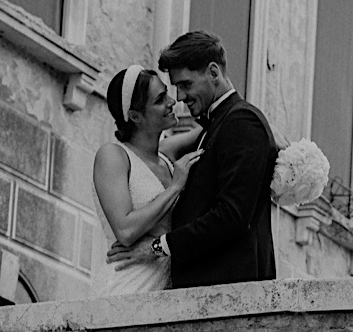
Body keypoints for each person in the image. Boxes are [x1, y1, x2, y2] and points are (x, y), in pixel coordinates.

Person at [108, 32, 277, 287]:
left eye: (186, 84)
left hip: (229, 293)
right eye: (175, 87)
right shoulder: (217, 125)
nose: (179, 97)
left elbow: (231, 215)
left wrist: (158, 246)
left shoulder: (242, 122)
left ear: (213, 72)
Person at [91, 63, 200, 293]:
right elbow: (126, 231)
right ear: (134, 116)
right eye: (160, 99)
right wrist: (175, 187)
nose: (172, 102)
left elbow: (216, 125)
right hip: (127, 286)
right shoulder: (113, 156)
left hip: (166, 290)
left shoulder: (167, 156)